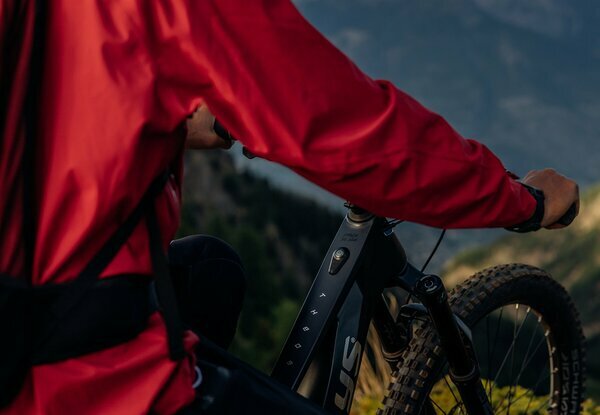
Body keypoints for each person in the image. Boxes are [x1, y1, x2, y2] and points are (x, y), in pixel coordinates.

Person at [0, 1, 579, 414]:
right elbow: (347, 131)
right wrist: (522, 200)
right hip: (73, 378)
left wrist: (162, 118)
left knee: (211, 269)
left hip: (27, 311)